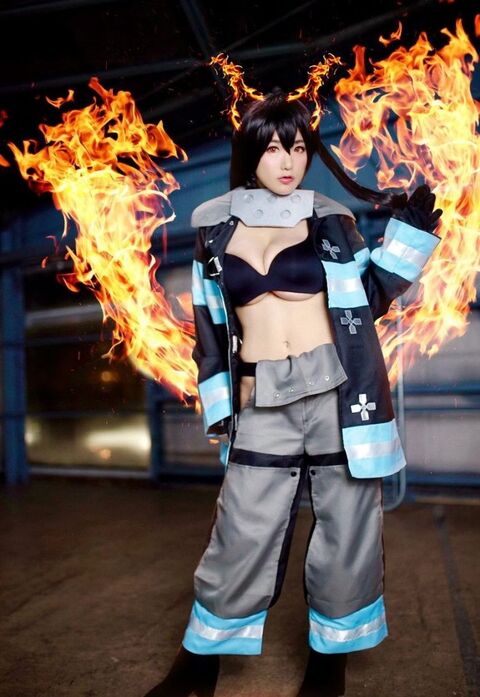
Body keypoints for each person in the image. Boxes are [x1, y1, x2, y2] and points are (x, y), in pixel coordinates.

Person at [143, 92, 442, 697]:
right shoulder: (213, 226)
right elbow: (210, 328)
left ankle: (328, 663)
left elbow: (370, 296)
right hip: (263, 394)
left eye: (299, 148)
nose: (288, 161)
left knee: (347, 528)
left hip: (338, 390)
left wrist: (408, 239)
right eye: (275, 148)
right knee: (242, 528)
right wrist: (224, 405)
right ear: (251, 153)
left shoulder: (332, 219)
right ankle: (199, 660)